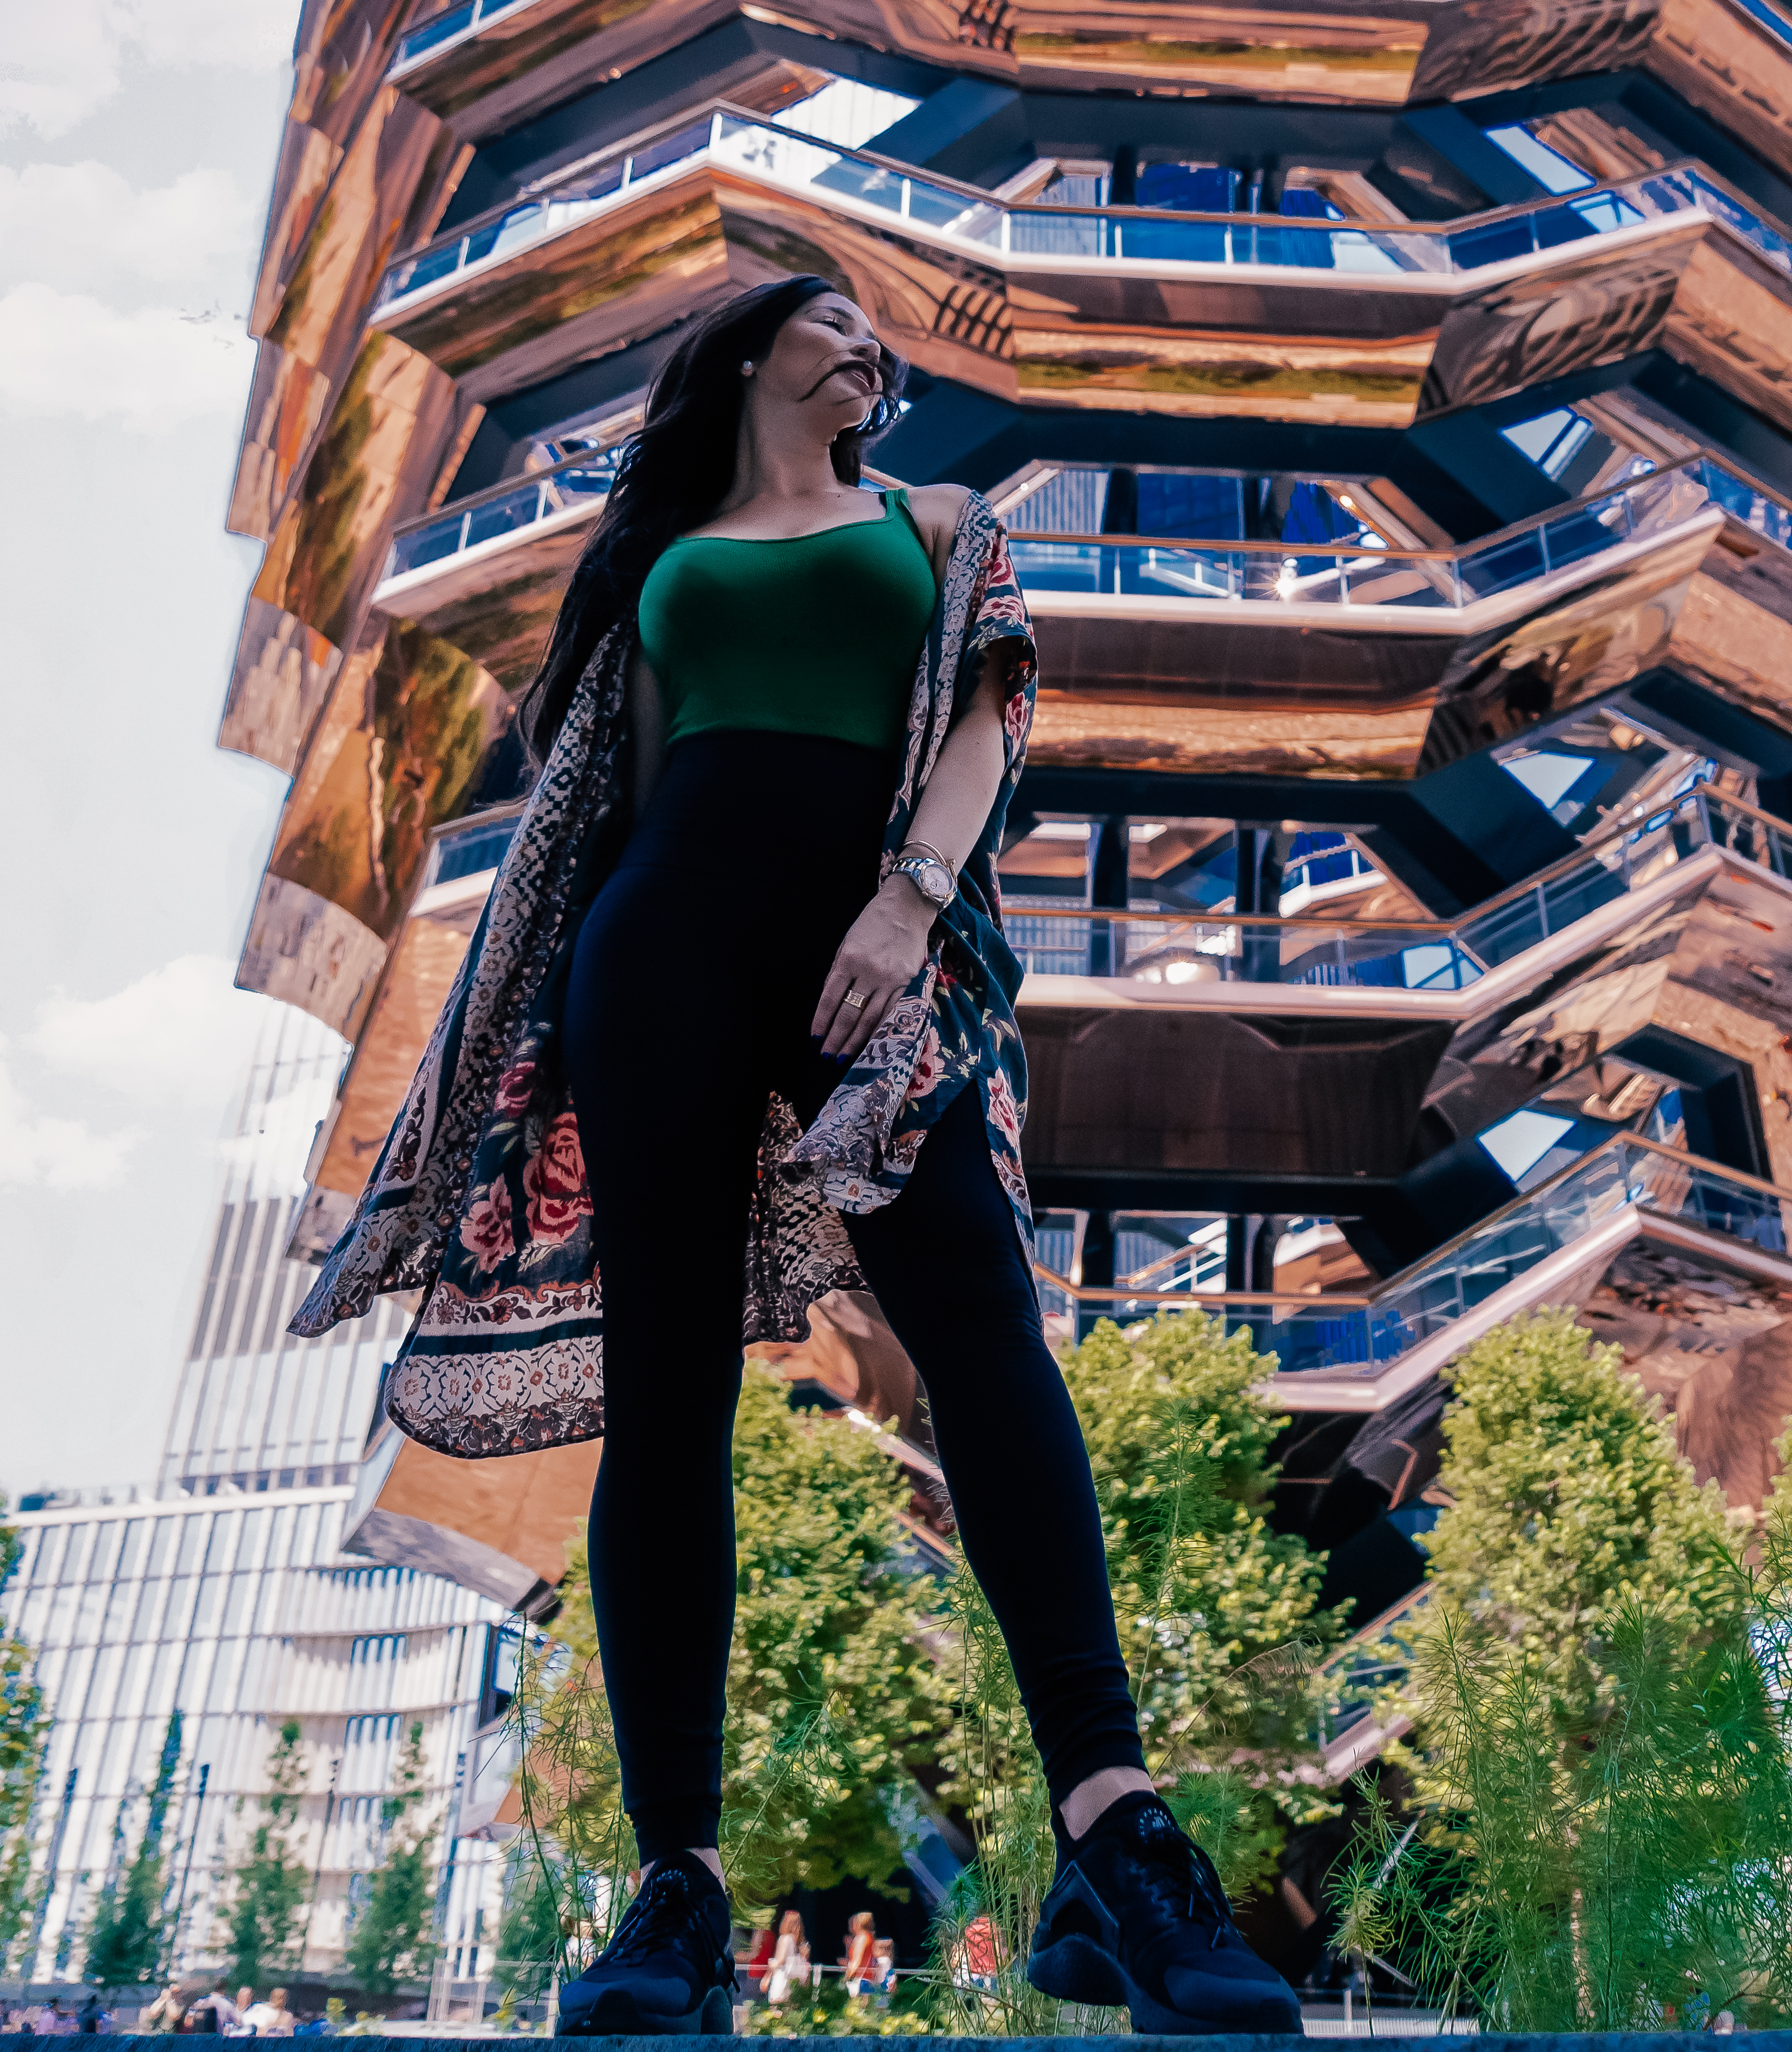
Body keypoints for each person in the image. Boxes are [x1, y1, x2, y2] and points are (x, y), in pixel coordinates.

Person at [290, 277, 1301, 2040]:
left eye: (874, 335)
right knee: (666, 1391)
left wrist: (910, 902)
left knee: (985, 1334)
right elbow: (622, 779)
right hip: (661, 945)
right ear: (754, 353)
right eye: (831, 318)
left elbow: (993, 711)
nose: (869, 344)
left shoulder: (937, 520)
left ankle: (1113, 1836)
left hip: (876, 943)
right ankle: (675, 1891)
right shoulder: (663, 549)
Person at [763, 1913, 809, 2010]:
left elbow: (780, 1961)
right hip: (792, 1982)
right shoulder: (798, 1942)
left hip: (781, 1980)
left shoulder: (785, 1938)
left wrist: (771, 1964)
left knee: (777, 2012)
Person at [841, 1915, 875, 2000]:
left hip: (860, 1978)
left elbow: (857, 1960)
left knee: (856, 2008)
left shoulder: (863, 1937)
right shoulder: (868, 1937)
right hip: (865, 1977)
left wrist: (846, 1977)